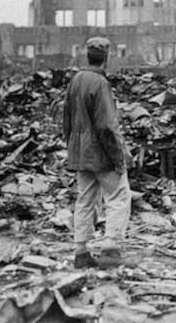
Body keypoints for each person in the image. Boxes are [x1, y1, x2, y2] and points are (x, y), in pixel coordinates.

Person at [63, 37, 132, 269]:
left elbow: (66, 120)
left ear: (88, 56)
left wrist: (73, 147)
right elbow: (106, 126)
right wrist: (118, 157)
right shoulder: (100, 83)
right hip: (101, 153)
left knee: (84, 199)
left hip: (80, 152)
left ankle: (81, 252)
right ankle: (110, 249)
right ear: (107, 58)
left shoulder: (76, 80)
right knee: (118, 196)